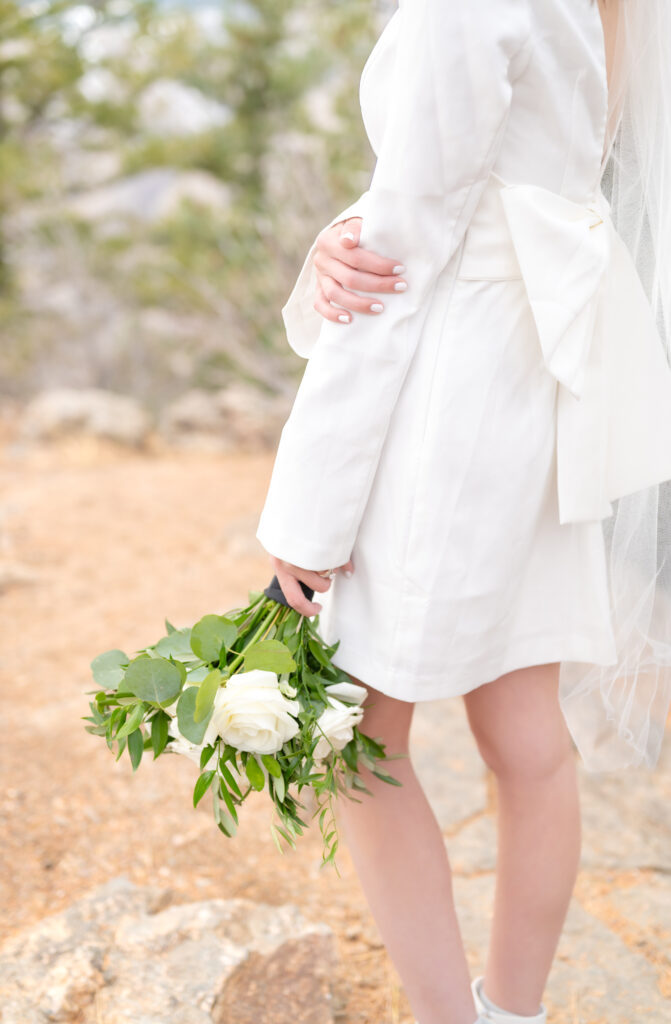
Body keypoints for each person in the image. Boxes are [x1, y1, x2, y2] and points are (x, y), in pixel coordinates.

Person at [255, 2, 671, 1022]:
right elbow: (497, 195)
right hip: (533, 378)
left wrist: (303, 516)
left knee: (357, 739)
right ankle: (510, 1014)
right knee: (525, 732)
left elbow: (400, 256)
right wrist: (338, 244)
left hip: (444, 400)